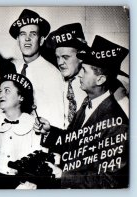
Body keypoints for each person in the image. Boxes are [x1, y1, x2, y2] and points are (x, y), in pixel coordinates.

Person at [38, 35, 129, 188]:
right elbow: (74, 141)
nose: (79, 74)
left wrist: (63, 176)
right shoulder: (88, 103)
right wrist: (49, 131)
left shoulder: (117, 124)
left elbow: (110, 180)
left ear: (100, 80)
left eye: (85, 71)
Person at [0, 73, 44, 189]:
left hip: (24, 185)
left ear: (21, 97)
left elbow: (38, 162)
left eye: (7, 91)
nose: (1, 95)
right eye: (0, 91)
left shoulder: (34, 124)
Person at [9, 9, 64, 129]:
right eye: (23, 34)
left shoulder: (52, 74)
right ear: (18, 40)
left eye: (33, 34)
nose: (27, 39)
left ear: (42, 40)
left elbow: (57, 123)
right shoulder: (14, 69)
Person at [45, 23, 88, 129]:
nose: (60, 63)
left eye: (65, 57)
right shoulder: (57, 81)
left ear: (81, 56)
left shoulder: (94, 82)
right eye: (58, 57)